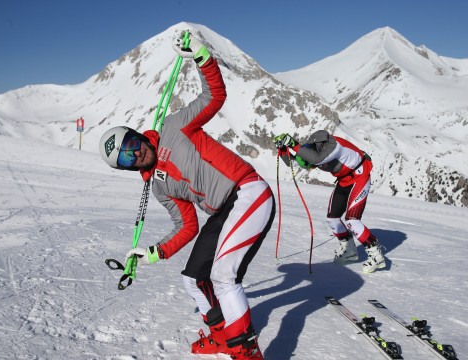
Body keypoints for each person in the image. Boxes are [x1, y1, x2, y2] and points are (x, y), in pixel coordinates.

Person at [98, 32, 275, 359]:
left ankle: (244, 351)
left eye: (132, 144)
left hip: (247, 191)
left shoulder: (174, 126)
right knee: (193, 280)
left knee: (224, 276)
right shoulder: (159, 187)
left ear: (140, 136)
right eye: (125, 157)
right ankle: (222, 336)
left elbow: (214, 95)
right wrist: (155, 252)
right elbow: (187, 226)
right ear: (123, 168)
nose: (134, 155)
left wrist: (201, 56)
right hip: (224, 210)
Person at [273, 131, 386, 274]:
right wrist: (284, 150)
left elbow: (316, 159)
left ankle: (377, 256)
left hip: (359, 177)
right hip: (345, 180)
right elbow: (299, 162)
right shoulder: (316, 151)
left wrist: (294, 145)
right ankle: (349, 251)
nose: (309, 167)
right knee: (332, 218)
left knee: (352, 220)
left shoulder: (334, 145)